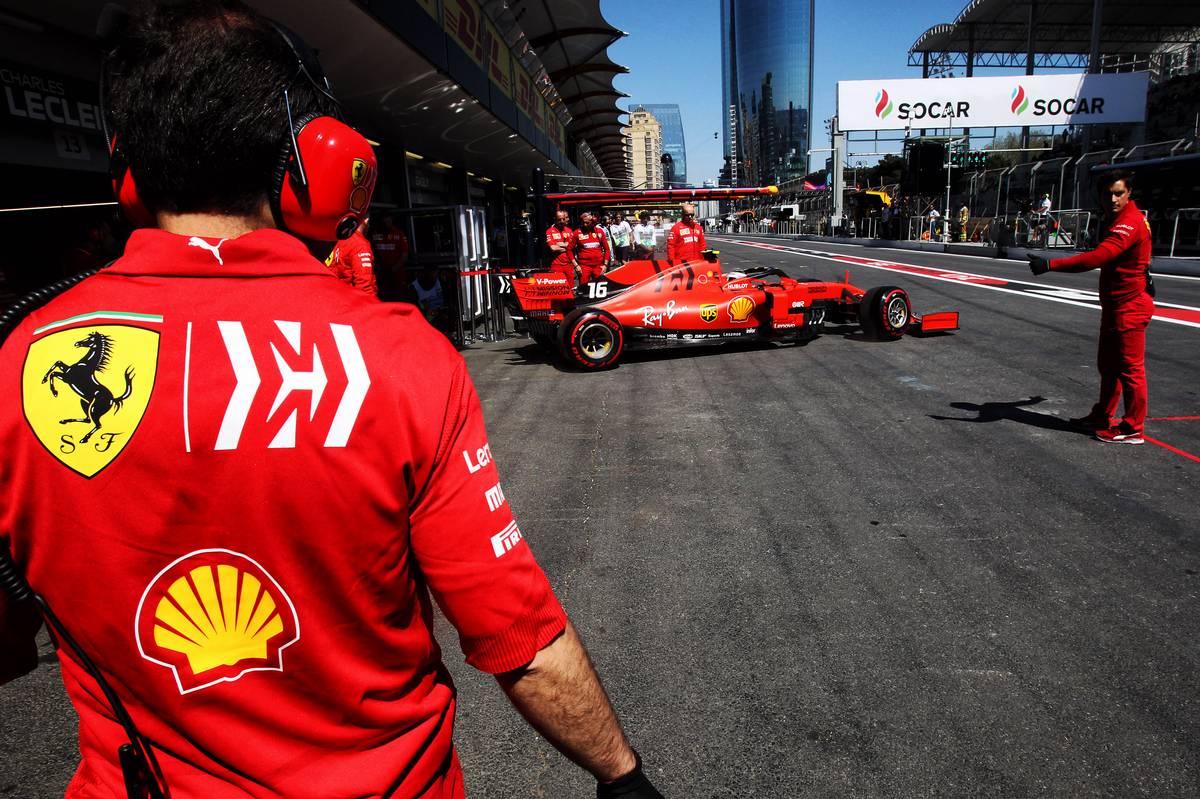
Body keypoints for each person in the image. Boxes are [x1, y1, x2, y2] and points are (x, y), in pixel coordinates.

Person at [0, 5, 663, 799]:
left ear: (126, 168)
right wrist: (622, 776)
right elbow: (516, 635)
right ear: (305, 160)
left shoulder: (18, 362)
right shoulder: (403, 357)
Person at [1027, 170, 1154, 445]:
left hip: (1129, 307)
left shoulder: (1129, 222)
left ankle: (1133, 427)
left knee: (1130, 369)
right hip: (1116, 305)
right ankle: (1102, 415)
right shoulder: (1120, 219)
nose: (1113, 199)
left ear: (1129, 192)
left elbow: (1100, 256)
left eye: (1118, 193)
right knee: (1108, 366)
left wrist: (1050, 265)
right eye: (1108, 194)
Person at [326, 214, 377, 296]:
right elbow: (366, 287)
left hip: (334, 297)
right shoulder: (360, 244)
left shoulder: (336, 240)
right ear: (366, 220)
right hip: (352, 301)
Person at [369, 213, 410, 295]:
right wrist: (378, 268)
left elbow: (404, 255)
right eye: (384, 222)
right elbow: (370, 253)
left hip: (397, 275)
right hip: (380, 275)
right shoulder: (374, 234)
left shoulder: (399, 234)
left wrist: (393, 269)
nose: (386, 224)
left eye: (388, 221)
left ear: (391, 221)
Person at [571, 211, 610, 286]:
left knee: (600, 289)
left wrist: (605, 265)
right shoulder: (577, 233)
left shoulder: (600, 232)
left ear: (592, 222)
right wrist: (576, 265)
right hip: (584, 267)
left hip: (598, 266)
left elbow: (607, 249)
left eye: (587, 223)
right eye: (583, 222)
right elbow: (569, 250)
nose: (585, 225)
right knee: (583, 289)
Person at [544, 208, 576, 286]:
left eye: (563, 219)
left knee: (571, 288)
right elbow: (553, 248)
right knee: (558, 288)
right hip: (556, 265)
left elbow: (574, 246)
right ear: (555, 219)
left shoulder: (569, 230)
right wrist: (567, 246)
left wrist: (560, 244)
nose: (562, 221)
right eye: (559, 219)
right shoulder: (550, 231)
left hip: (569, 264)